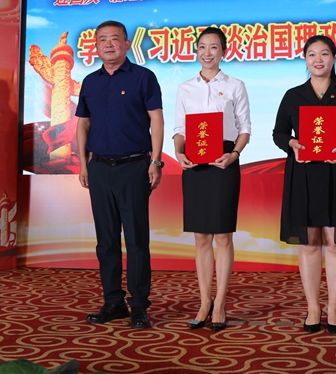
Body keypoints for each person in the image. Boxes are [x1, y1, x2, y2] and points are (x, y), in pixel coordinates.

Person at [272, 35, 336, 335]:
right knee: (310, 243)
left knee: (335, 243)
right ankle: (313, 307)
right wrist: (291, 144)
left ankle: (334, 306)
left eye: (324, 53)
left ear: (334, 58)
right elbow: (278, 133)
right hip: (304, 174)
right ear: (305, 59)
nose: (318, 59)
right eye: (312, 54)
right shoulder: (293, 95)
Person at [75, 20, 164, 330]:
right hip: (99, 168)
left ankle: (139, 305)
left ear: (127, 44)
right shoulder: (90, 82)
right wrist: (84, 164)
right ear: (95, 46)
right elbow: (83, 123)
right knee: (106, 240)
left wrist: (156, 161)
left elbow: (156, 120)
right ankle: (113, 302)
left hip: (134, 167)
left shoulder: (143, 77)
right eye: (102, 39)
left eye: (115, 39)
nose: (108, 44)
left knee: (137, 240)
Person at [173, 27, 251, 332]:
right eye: (202, 47)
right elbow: (179, 129)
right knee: (201, 237)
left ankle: (220, 302)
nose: (207, 53)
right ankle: (204, 301)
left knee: (223, 236)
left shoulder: (235, 85)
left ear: (223, 52)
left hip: (223, 162)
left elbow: (245, 128)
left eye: (214, 47)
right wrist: (179, 152)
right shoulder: (185, 88)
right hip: (194, 164)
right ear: (196, 51)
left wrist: (234, 154)